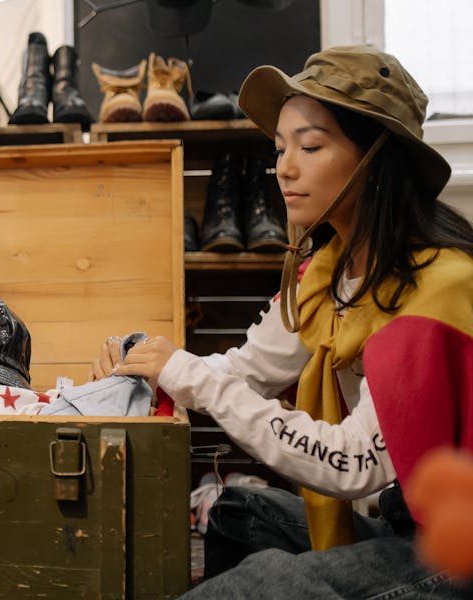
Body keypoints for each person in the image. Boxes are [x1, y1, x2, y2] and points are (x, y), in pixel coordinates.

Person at [97, 46, 473, 597]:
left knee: (262, 584)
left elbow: (351, 461)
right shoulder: (326, 275)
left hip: (454, 546)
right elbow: (251, 370)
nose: (285, 168)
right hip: (408, 522)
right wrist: (148, 363)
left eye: (310, 146)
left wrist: (188, 375)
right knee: (237, 511)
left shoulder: (435, 290)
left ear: (378, 160)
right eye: (279, 148)